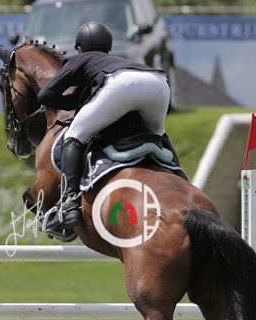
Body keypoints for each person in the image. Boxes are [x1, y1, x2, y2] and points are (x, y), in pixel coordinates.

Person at [38, 20, 172, 229]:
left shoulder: (80, 58)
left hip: (121, 84)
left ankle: (69, 204)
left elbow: (45, 95)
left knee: (74, 135)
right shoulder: (118, 59)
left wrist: (76, 102)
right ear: (108, 47)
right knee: (159, 135)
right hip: (158, 82)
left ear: (79, 47)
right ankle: (181, 178)